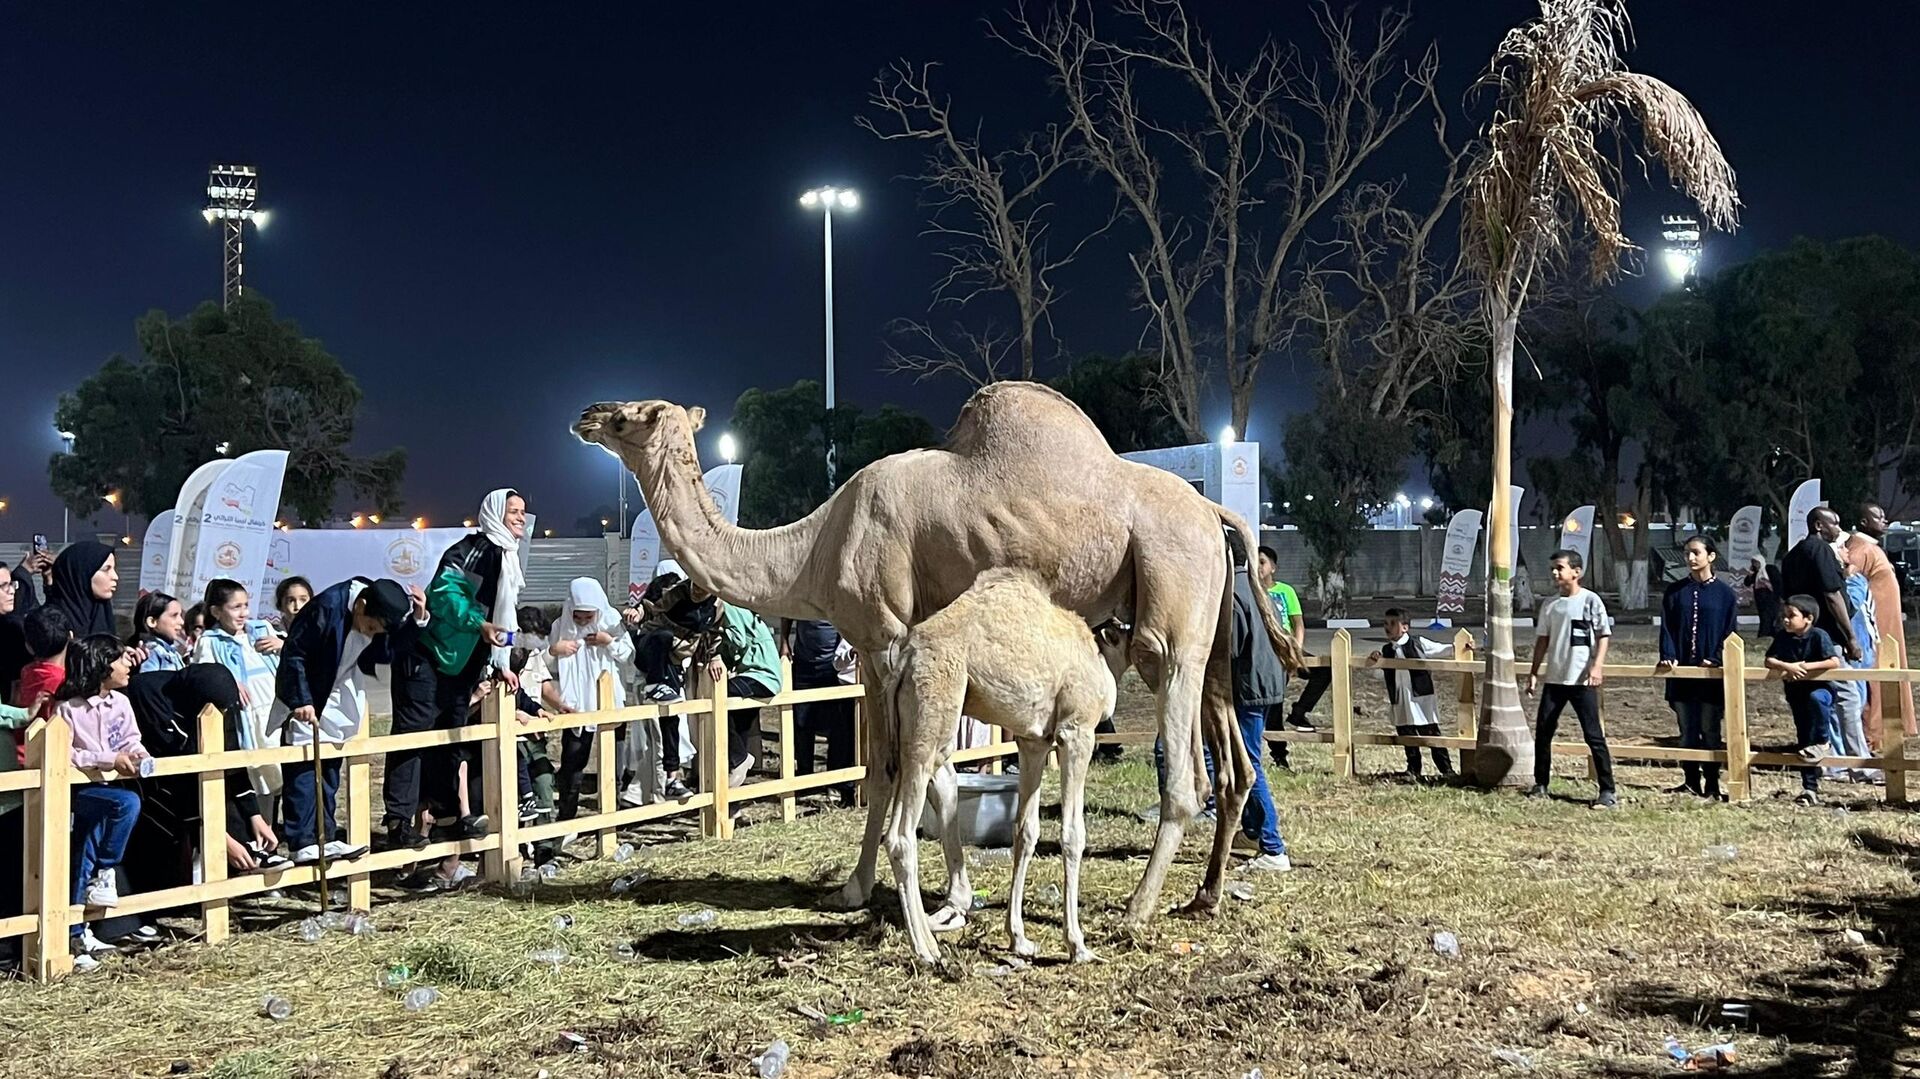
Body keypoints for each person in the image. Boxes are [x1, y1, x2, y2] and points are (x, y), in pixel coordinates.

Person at [385, 488, 526, 852]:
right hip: (429, 657)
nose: (520, 518)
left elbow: (502, 619)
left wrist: (500, 664)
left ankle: (445, 817)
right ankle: (399, 822)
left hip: (465, 664)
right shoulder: (472, 550)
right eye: (513, 511)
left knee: (451, 738)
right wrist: (479, 625)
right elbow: (445, 594)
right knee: (413, 738)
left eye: (523, 512)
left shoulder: (507, 557)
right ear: (495, 513)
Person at [272, 577, 424, 865]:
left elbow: (389, 650)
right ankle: (302, 839)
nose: (370, 633)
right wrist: (301, 699)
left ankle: (326, 836)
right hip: (310, 693)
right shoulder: (326, 607)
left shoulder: (373, 610)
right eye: (369, 627)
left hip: (340, 690)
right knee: (304, 766)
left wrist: (417, 620)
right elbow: (295, 654)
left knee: (329, 767)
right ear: (360, 606)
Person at [125, 664, 286, 876]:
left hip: (188, 774)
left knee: (220, 785)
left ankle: (253, 849)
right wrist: (221, 838)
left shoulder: (219, 705)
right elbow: (180, 778)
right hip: (153, 781)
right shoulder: (148, 697)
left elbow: (231, 762)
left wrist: (254, 815)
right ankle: (243, 854)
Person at [55, 634, 148, 971]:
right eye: (121, 658)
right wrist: (109, 759)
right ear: (101, 663)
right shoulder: (68, 709)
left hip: (106, 787)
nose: (129, 664)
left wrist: (138, 755)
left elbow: (131, 739)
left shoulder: (121, 703)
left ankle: (79, 932)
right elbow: (68, 753)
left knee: (84, 851)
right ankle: (106, 870)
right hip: (81, 791)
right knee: (125, 804)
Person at [1221, 542, 1294, 871]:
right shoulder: (1260, 588)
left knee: (1249, 764)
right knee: (1246, 761)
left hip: (1248, 688)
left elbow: (1232, 647)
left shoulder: (1234, 592)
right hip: (1267, 685)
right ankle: (1251, 832)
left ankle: (1273, 847)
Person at [1525, 549, 1616, 809]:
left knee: (1593, 735)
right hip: (1555, 680)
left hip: (1582, 681)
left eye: (1560, 568)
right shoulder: (1550, 605)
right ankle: (1541, 783)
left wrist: (1597, 666)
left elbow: (1603, 634)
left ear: (1576, 572)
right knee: (1543, 732)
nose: (1555, 573)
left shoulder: (1590, 601)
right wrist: (1533, 672)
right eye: (1553, 568)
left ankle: (1607, 790)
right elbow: (1543, 640)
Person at [1656, 536, 1740, 800]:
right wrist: (1668, 655)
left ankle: (1713, 784)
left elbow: (1730, 632)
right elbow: (1667, 628)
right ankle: (1690, 781)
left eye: (1696, 553)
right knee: (1687, 730)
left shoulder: (1725, 594)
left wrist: (1715, 658)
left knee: (1710, 728)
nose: (1691, 558)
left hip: (1710, 677)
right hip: (1682, 674)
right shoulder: (1675, 591)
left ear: (1711, 556)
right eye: (1687, 553)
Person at [191, 579, 284, 812]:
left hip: (273, 710)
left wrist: (283, 645)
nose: (244, 613)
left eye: (245, 605)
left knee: (282, 768)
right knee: (257, 775)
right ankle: (260, 833)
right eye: (236, 607)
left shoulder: (262, 630)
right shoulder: (210, 642)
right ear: (216, 611)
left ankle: (279, 829)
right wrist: (229, 681)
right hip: (246, 719)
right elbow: (204, 676)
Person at [547, 579, 637, 805]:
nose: (583, 622)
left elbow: (628, 654)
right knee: (574, 758)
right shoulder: (561, 625)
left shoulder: (611, 621)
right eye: (578, 617)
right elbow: (543, 664)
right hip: (576, 700)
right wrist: (555, 650)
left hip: (609, 697)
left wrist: (608, 642)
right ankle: (567, 810)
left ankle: (611, 807)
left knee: (612, 756)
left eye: (589, 617)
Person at [693, 585, 782, 788]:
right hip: (752, 672)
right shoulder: (733, 607)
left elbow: (737, 639)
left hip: (761, 674)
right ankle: (734, 796)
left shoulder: (729, 607)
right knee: (738, 722)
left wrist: (714, 651)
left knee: (723, 696)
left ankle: (740, 758)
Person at [1767, 595, 1843, 807]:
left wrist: (1805, 667)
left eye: (1791, 616)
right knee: (1803, 740)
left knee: (1816, 700)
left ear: (1808, 618)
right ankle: (1809, 788)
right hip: (1796, 693)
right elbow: (1769, 659)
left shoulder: (1819, 636)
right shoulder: (1783, 637)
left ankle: (1824, 740)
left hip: (1821, 690)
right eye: (1784, 616)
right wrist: (1788, 667)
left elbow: (1833, 661)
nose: (1786, 620)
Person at [1847, 503, 1913, 745]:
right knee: (1875, 679)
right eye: (1879, 517)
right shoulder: (1860, 550)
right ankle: (1872, 736)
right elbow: (1849, 585)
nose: (1884, 521)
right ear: (1864, 522)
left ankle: (1885, 731)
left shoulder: (1871, 548)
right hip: (1875, 630)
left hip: (1889, 629)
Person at [1366, 608, 1454, 782]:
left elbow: (1441, 650)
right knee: (1407, 734)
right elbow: (1379, 674)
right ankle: (1413, 769)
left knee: (1430, 733)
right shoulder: (1387, 650)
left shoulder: (1418, 643)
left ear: (1405, 627)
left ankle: (1447, 770)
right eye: (1385, 623)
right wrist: (1376, 661)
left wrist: (1459, 647)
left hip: (1421, 698)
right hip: (1400, 699)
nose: (1387, 627)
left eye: (1392, 624)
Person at [1257, 546, 1327, 736]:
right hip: (1265, 649)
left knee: (1324, 671)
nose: (1258, 567)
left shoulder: (1286, 591)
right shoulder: (1251, 591)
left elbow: (1298, 624)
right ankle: (1279, 755)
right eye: (1254, 562)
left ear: (1273, 567)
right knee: (1274, 701)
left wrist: (1296, 650)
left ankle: (1299, 712)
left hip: (1287, 645)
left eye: (1262, 562)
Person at [786, 618, 857, 805]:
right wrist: (783, 641)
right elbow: (787, 613)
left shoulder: (832, 596)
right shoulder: (801, 595)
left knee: (837, 729)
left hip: (830, 666)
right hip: (803, 662)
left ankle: (834, 781)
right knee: (801, 723)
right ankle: (805, 779)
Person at [46, 541, 118, 639]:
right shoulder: (51, 623)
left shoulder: (103, 614)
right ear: (82, 574)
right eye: (106, 569)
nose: (115, 577)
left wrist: (120, 652)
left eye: (114, 569)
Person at [130, 591, 187, 673]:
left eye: (180, 615)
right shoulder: (150, 652)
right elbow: (148, 682)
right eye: (174, 616)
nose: (181, 622)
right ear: (152, 621)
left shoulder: (171, 651)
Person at [1745, 555, 1782, 639]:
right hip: (1761, 599)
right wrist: (1750, 574)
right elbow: (1747, 583)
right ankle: (1765, 633)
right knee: (1763, 617)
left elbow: (1778, 581)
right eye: (1753, 563)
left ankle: (1769, 633)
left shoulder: (1769, 568)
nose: (1755, 564)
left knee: (1772, 616)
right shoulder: (1755, 573)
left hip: (1771, 597)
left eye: (1756, 562)